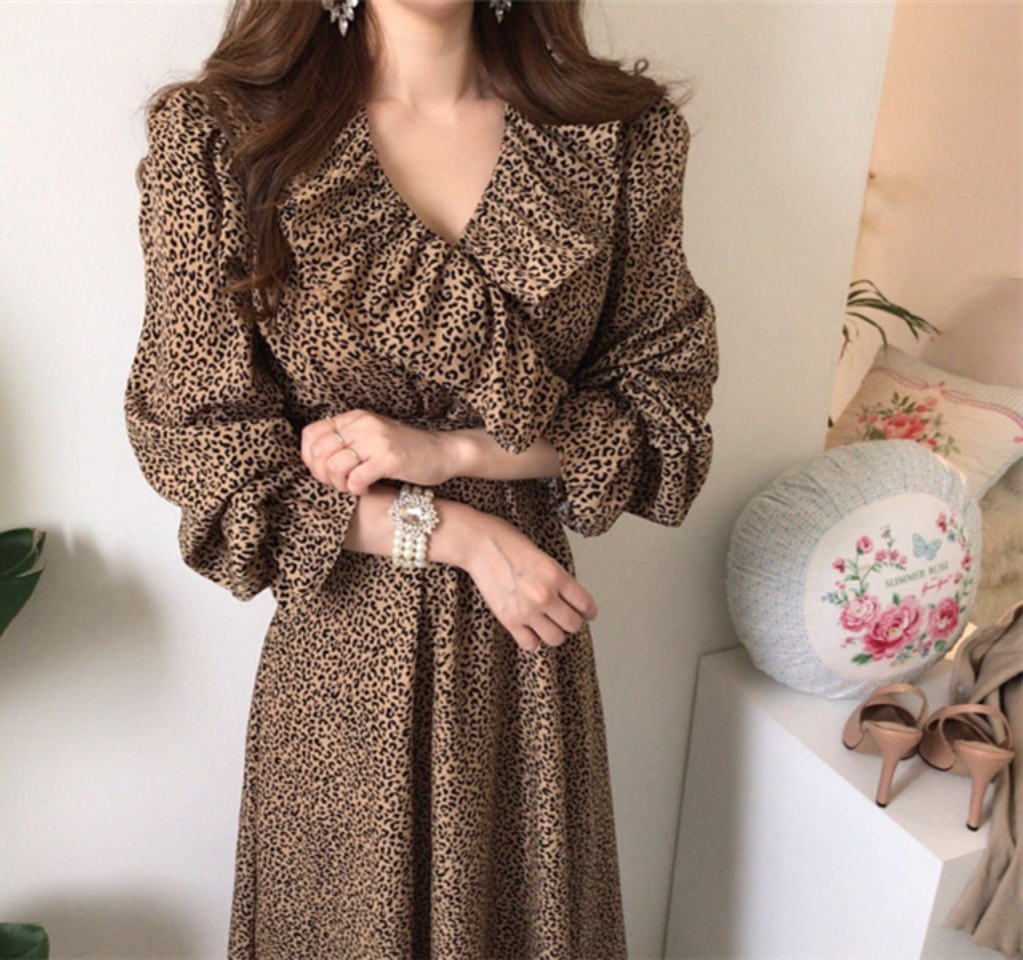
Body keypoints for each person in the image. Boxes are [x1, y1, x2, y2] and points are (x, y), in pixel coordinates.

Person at [125, 0, 718, 956]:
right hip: (344, 665)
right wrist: (454, 530)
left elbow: (664, 418)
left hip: (525, 661)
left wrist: (456, 455)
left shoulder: (617, 137)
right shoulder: (225, 140)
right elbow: (204, 446)